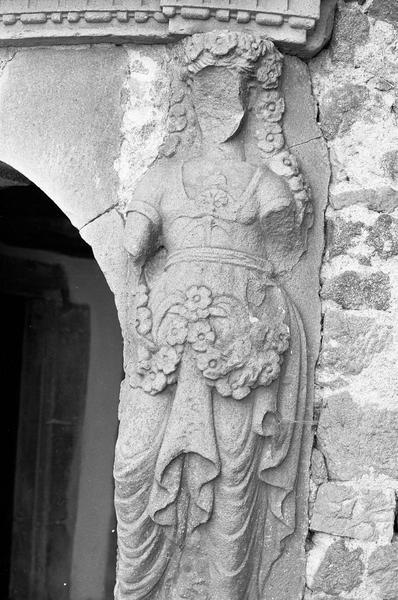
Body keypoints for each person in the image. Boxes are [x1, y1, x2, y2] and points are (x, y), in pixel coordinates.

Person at [115, 32, 308, 600]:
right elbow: (132, 246)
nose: (220, 108)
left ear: (253, 104)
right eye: (205, 94)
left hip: (243, 342)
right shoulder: (159, 179)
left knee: (232, 474)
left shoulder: (268, 184)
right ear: (188, 104)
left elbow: (284, 245)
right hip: (168, 340)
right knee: (135, 467)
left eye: (233, 95)